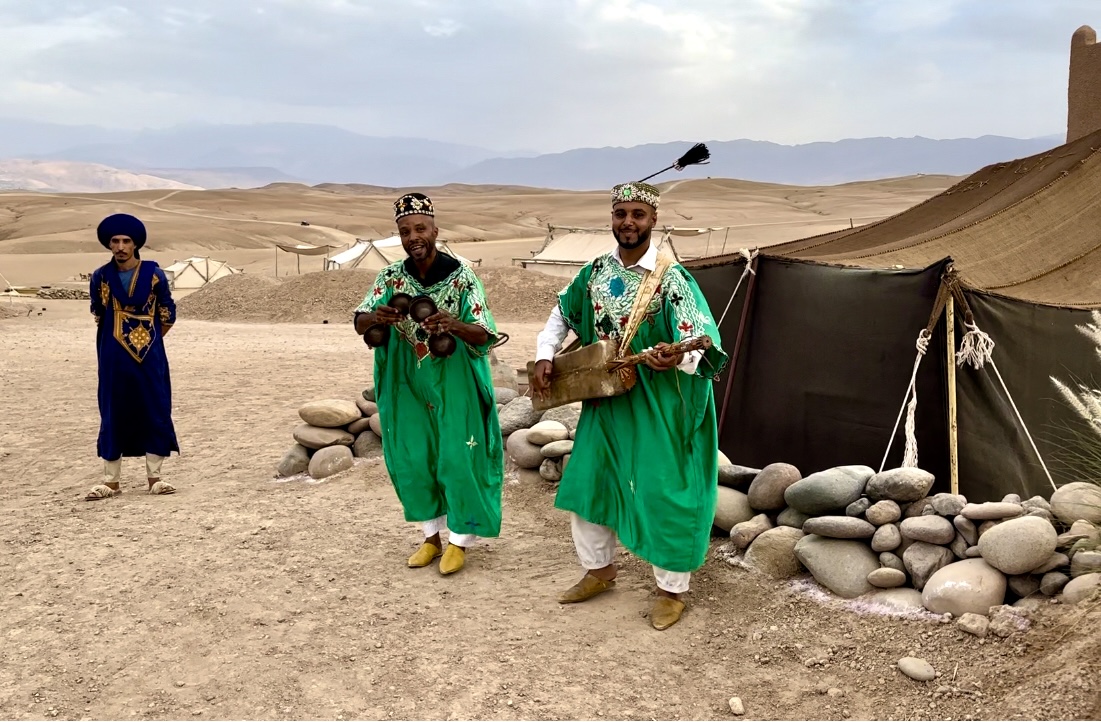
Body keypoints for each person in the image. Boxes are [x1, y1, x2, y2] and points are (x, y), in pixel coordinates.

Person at [531, 181, 728, 630]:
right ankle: (599, 571)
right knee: (589, 484)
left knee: (663, 492)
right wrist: (546, 354)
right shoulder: (596, 271)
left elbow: (704, 343)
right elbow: (562, 314)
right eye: (621, 214)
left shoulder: (672, 277)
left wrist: (676, 357)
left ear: (654, 220)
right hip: (607, 400)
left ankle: (671, 590)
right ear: (612, 218)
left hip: (660, 405)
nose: (628, 223)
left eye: (638, 215)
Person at [353, 193, 503, 575]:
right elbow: (359, 322)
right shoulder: (389, 278)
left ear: (435, 230)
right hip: (407, 383)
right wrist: (376, 317)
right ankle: (431, 537)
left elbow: (485, 333)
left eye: (420, 228)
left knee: (458, 457)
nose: (413, 237)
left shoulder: (463, 277)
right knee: (415, 457)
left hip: (455, 382)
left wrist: (451, 324)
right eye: (405, 231)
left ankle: (460, 540)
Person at [85, 213, 179, 500]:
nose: (121, 246)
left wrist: (148, 340)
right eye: (115, 241)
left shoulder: (154, 274)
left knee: (154, 405)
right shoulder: (101, 276)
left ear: (136, 243)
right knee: (113, 409)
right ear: (109, 245)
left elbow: (167, 314)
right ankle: (111, 481)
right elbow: (99, 314)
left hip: (150, 353)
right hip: (112, 354)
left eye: (126, 241)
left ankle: (156, 478)